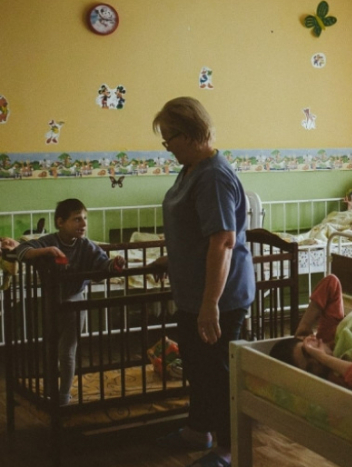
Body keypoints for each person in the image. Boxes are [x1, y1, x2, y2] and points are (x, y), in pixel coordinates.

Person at [149, 96, 255, 467]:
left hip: (220, 297)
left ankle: (229, 447)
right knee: (197, 366)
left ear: (192, 133)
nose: (167, 147)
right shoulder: (192, 169)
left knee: (217, 372)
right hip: (194, 292)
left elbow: (223, 240)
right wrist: (174, 257)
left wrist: (210, 303)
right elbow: (195, 229)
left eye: (170, 138)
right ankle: (198, 430)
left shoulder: (213, 176)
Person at [14, 199, 125, 406]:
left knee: (67, 351)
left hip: (75, 302)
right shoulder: (49, 241)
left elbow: (103, 266)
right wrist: (46, 251)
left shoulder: (86, 246)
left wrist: (115, 264)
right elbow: (21, 250)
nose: (83, 223)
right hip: (51, 301)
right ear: (60, 222)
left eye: (84, 219)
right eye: (76, 219)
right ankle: (49, 390)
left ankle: (64, 395)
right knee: (50, 347)